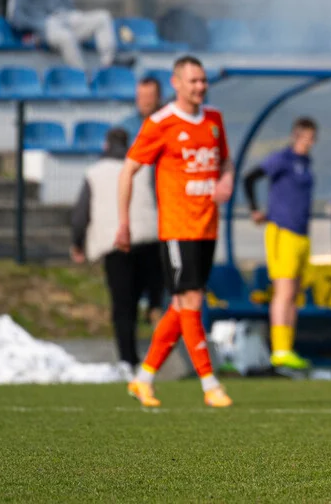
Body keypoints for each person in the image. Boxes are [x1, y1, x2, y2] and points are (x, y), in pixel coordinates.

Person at [121, 55, 235, 408]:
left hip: (207, 226)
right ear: (176, 83)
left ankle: (143, 379)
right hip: (177, 227)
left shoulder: (214, 119)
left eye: (203, 80)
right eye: (193, 81)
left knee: (180, 306)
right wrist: (123, 221)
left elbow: (224, 159)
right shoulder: (161, 123)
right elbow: (129, 169)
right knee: (192, 302)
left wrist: (226, 180)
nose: (200, 87)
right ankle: (210, 383)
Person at [70, 127, 163, 371]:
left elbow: (81, 214)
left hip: (116, 244)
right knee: (156, 297)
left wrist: (77, 244)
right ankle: (154, 315)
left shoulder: (94, 173)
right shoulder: (144, 168)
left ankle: (128, 360)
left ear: (105, 145)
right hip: (150, 239)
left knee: (123, 305)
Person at [243, 117, 318, 371]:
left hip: (301, 234)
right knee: (283, 291)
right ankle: (279, 349)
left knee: (295, 293)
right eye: (304, 136)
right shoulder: (282, 159)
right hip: (282, 232)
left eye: (311, 137)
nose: (308, 142)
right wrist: (255, 209)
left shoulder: (306, 163)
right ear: (295, 135)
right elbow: (250, 178)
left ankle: (288, 347)